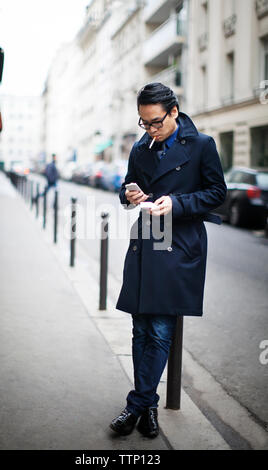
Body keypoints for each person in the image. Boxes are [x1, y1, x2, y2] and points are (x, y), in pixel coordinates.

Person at [110, 83, 227, 438]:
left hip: (179, 246)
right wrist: (129, 193)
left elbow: (217, 194)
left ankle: (135, 405)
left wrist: (176, 204)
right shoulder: (141, 147)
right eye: (144, 123)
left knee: (160, 331)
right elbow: (128, 186)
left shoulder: (202, 146)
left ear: (174, 111)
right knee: (140, 329)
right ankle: (148, 407)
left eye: (156, 122)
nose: (151, 130)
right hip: (147, 241)